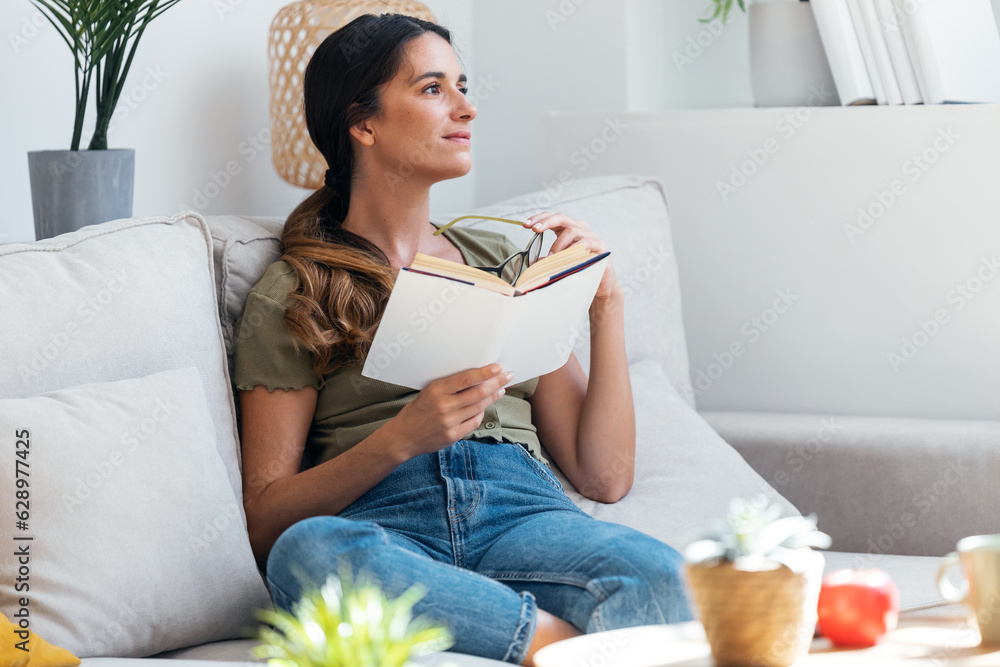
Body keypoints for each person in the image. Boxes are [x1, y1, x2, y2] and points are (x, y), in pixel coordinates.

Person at [232, 12, 692, 666]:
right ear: (363, 124)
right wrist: (401, 437)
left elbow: (605, 476)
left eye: (463, 85)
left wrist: (604, 302)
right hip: (384, 524)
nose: (467, 108)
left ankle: (490, 619)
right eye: (432, 89)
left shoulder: (503, 259)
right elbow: (265, 519)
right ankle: (549, 644)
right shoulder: (297, 288)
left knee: (665, 576)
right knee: (308, 554)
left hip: (524, 515)